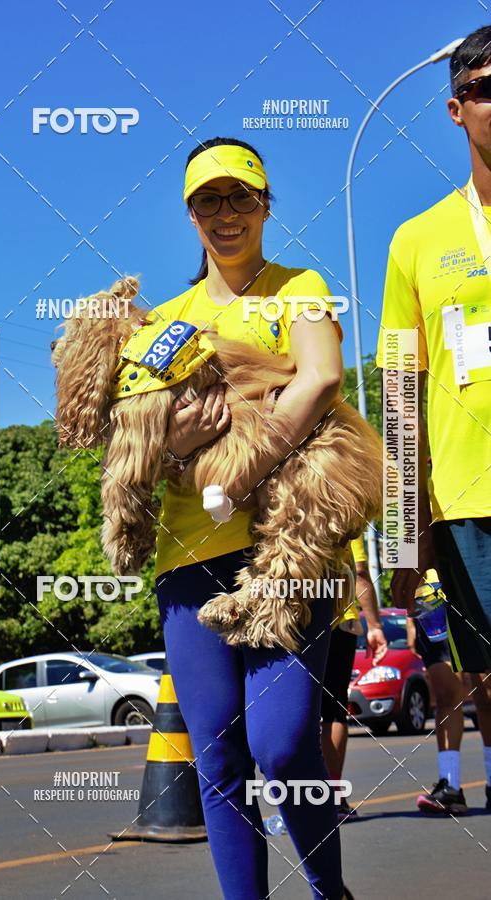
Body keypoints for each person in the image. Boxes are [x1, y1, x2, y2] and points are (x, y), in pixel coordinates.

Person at [150, 137, 355, 899]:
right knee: (219, 757)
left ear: (266, 205)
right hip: (187, 561)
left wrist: (234, 466)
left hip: (286, 553)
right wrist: (180, 436)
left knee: (279, 744)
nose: (226, 214)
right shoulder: (167, 321)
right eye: (209, 199)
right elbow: (149, 434)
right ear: (190, 213)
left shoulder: (300, 286)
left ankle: (331, 892)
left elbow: (323, 376)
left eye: (241, 197)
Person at [376, 29, 491, 742]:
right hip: (467, 498)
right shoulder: (416, 240)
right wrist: (402, 532)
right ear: (456, 110)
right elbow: (396, 392)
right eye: (484, 89)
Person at [321, 533, 388, 822]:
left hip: (297, 615)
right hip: (341, 619)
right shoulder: (348, 510)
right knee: (334, 709)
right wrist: (374, 625)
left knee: (301, 708)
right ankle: (333, 796)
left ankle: (303, 798)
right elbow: (360, 572)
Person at [406, 600, 491, 815]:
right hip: (430, 603)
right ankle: (450, 786)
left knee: (487, 695)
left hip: (472, 593)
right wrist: (409, 616)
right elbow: (403, 565)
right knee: (446, 694)